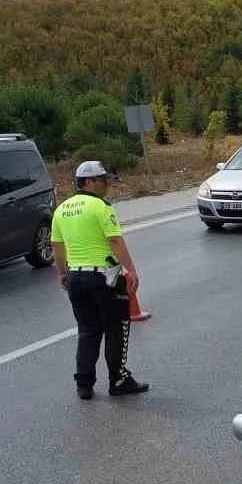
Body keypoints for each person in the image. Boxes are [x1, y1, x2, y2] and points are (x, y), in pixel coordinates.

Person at [51, 161, 149, 400]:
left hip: (75, 277)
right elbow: (115, 241)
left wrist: (62, 272)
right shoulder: (101, 207)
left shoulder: (61, 209)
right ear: (88, 182)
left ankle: (84, 384)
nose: (107, 185)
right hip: (104, 278)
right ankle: (118, 379)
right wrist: (131, 270)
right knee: (116, 329)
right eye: (102, 180)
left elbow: (57, 245)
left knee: (87, 330)